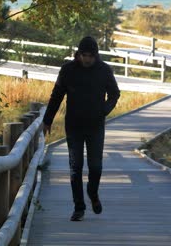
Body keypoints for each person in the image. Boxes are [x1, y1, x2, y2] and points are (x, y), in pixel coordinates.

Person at [43, 36, 120, 221]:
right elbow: (56, 95)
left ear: (96, 56)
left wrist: (104, 110)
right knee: (75, 167)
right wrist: (48, 119)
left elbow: (115, 94)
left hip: (95, 126)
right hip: (74, 126)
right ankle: (79, 208)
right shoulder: (68, 70)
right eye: (84, 55)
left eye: (90, 56)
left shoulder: (104, 70)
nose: (87, 59)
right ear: (78, 54)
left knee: (96, 167)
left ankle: (92, 193)